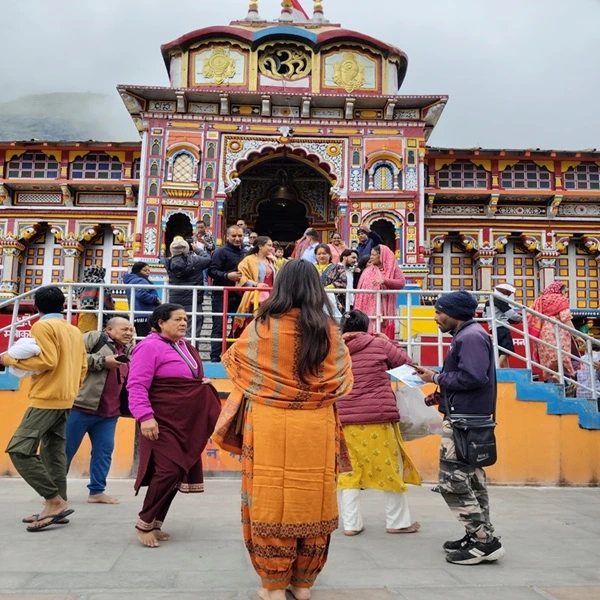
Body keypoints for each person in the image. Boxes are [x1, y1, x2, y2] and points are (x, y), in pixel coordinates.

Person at [213, 259, 353, 600]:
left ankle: (272, 585)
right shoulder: (329, 329)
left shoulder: (263, 325)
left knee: (268, 497)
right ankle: (303, 584)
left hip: (268, 420)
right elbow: (344, 377)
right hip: (316, 424)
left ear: (280, 286)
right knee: (314, 496)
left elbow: (234, 364)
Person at [414, 291, 505, 565]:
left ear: (455, 313)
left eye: (440, 312)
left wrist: (436, 377)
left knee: (451, 483)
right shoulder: (468, 335)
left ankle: (482, 542)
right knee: (473, 481)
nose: (436, 316)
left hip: (465, 423)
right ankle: (479, 535)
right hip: (466, 417)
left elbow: (474, 377)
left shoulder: (470, 337)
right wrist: (439, 392)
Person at [126, 304, 221, 548]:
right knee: (168, 470)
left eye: (186, 319)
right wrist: (145, 417)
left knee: (177, 472)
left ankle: (156, 523)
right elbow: (136, 385)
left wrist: (202, 384)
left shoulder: (185, 346)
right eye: (177, 319)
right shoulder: (148, 346)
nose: (184, 323)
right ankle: (143, 523)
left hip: (183, 421)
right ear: (160, 323)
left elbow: (186, 380)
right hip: (161, 419)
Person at [2, 286, 87, 531]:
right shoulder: (73, 330)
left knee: (19, 449)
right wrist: (69, 388)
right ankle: (57, 504)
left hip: (46, 399)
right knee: (53, 452)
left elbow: (46, 360)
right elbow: (82, 367)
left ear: (37, 306)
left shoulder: (42, 326)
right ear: (62, 305)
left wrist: (9, 359)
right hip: (66, 398)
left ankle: (54, 500)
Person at [337, 310, 421, 536]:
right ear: (366, 326)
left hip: (344, 419)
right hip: (379, 417)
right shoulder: (378, 344)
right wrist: (388, 341)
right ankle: (397, 522)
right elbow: (406, 364)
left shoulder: (332, 348)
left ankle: (351, 525)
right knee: (390, 468)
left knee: (348, 472)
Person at [65, 316, 134, 504]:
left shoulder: (129, 349)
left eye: (131, 330)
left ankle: (96, 492)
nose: (129, 333)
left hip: (109, 413)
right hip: (81, 407)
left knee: (103, 452)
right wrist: (103, 361)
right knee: (65, 450)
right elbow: (71, 356)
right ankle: (54, 493)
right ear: (109, 330)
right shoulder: (94, 338)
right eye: (125, 329)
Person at [163, 237, 211, 346]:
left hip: (174, 300)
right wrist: (198, 249)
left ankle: (176, 355)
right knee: (193, 332)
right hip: (193, 301)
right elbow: (208, 259)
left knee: (174, 330)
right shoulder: (196, 261)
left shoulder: (167, 262)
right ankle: (191, 356)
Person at [208, 226, 244, 362]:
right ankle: (215, 357)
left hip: (240, 295)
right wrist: (227, 275)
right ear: (227, 237)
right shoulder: (220, 252)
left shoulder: (245, 253)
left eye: (240, 236)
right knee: (219, 326)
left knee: (239, 325)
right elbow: (212, 271)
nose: (237, 239)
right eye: (234, 236)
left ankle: (233, 355)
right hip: (221, 295)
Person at [354, 244, 406, 338]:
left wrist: (385, 281)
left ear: (381, 255)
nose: (371, 257)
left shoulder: (394, 268)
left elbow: (401, 283)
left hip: (385, 308)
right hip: (369, 310)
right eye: (371, 255)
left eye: (373, 255)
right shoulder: (368, 270)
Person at [529, 282, 576, 382]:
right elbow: (565, 318)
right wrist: (577, 335)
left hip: (543, 332)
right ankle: (559, 376)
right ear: (560, 290)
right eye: (565, 291)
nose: (565, 294)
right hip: (558, 330)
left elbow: (529, 314)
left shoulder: (540, 300)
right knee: (561, 354)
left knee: (549, 356)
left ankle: (552, 377)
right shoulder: (561, 299)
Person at [233, 236, 276, 336]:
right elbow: (242, 276)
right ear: (260, 246)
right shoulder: (249, 260)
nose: (271, 248)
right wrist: (256, 284)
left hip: (271, 293)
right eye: (269, 245)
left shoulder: (271, 261)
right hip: (254, 294)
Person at [484, 283, 522, 368]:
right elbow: (512, 315)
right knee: (507, 349)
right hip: (502, 327)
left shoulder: (488, 301)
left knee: (501, 350)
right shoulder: (500, 300)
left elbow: (484, 315)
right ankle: (494, 368)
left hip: (492, 328)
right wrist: (522, 318)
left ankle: (506, 369)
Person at [123, 262, 161, 338]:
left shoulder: (132, 280)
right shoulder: (140, 281)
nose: (147, 272)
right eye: (145, 270)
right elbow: (142, 295)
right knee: (147, 337)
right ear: (138, 270)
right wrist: (155, 299)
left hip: (138, 315)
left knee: (141, 337)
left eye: (149, 270)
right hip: (144, 314)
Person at [77, 265, 115, 334]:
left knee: (83, 334)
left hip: (83, 312)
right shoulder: (99, 282)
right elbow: (107, 298)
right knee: (95, 335)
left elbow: (78, 299)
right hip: (97, 314)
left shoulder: (83, 283)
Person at [314, 243, 347, 313]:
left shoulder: (338, 268)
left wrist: (326, 289)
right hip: (314, 299)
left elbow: (342, 282)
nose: (321, 256)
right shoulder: (311, 268)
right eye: (319, 254)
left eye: (324, 253)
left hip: (333, 300)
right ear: (315, 256)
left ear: (329, 255)